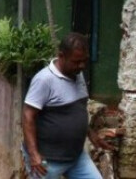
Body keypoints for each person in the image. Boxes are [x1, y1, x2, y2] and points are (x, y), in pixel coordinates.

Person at [22, 32, 115, 179]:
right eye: (76, 61)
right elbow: (28, 115)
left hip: (76, 157)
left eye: (84, 61)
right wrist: (34, 155)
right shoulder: (44, 80)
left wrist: (91, 134)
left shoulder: (78, 75)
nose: (82, 66)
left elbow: (77, 111)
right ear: (61, 56)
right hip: (47, 161)